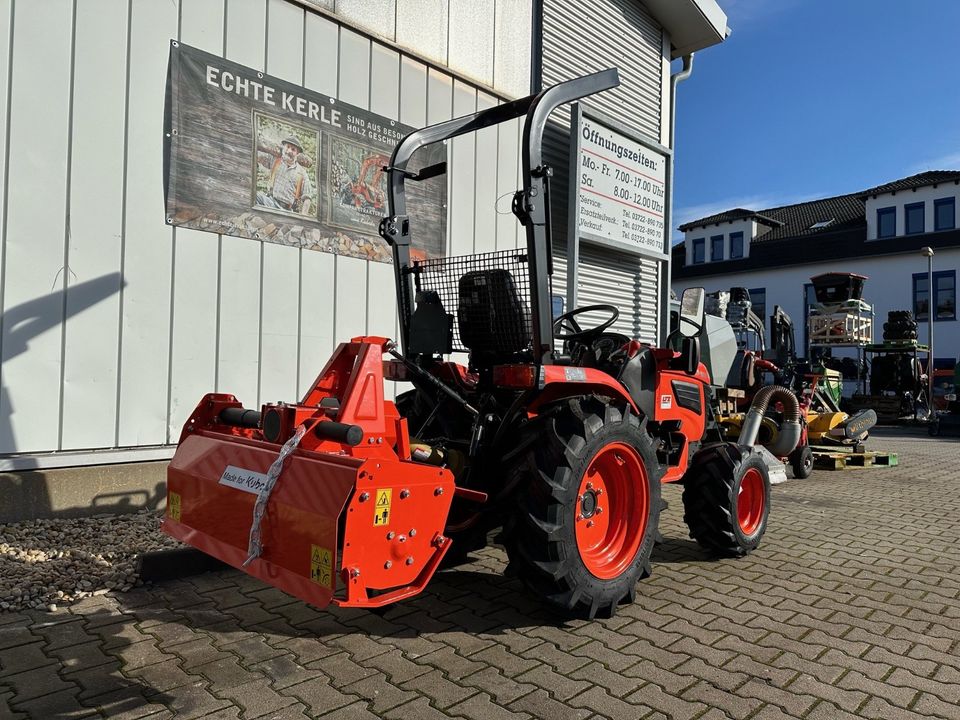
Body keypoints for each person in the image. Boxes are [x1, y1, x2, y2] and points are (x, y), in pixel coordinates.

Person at [256, 135, 314, 215]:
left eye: (293, 149)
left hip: (287, 210)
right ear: (283, 147)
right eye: (288, 147)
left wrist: (303, 217)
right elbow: (258, 157)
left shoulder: (302, 173)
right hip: (270, 202)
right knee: (256, 196)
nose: (289, 151)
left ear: (297, 153)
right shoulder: (275, 161)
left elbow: (307, 198)